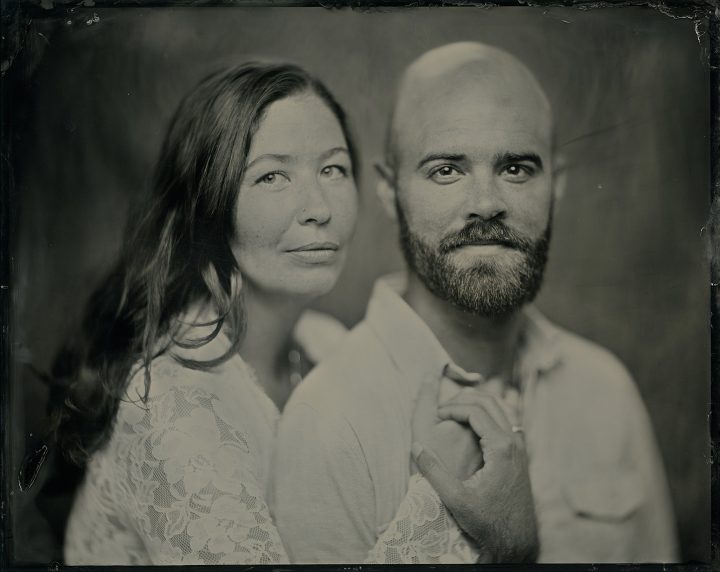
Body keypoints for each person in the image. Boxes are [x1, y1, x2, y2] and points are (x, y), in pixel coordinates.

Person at [51, 62, 492, 565]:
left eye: (332, 169)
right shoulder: (172, 405)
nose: (318, 207)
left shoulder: (324, 344)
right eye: (272, 176)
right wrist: (443, 494)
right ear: (208, 206)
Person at [272, 42, 679, 563]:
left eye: (516, 169)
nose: (486, 203)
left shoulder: (606, 390)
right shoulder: (329, 425)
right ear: (388, 191)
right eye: (446, 169)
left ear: (556, 185)